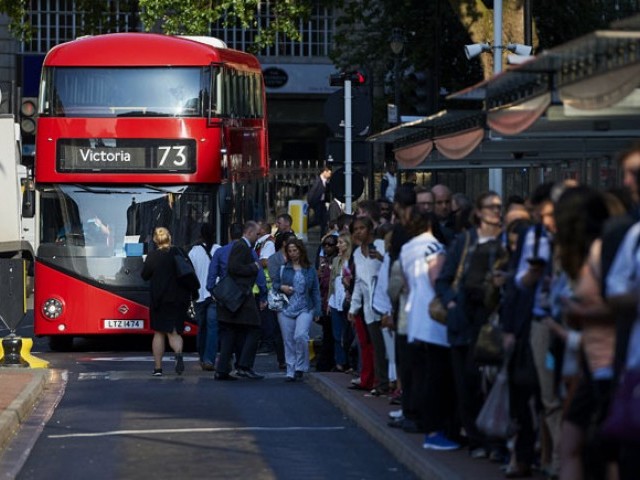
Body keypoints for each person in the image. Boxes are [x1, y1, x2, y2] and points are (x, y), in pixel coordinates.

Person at [212, 221, 267, 381]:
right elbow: (234, 268)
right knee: (255, 328)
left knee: (230, 333)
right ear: (249, 232)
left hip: (232, 300)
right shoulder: (242, 247)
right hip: (240, 298)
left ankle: (222, 370)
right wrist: (255, 267)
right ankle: (244, 366)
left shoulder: (242, 247)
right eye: (257, 234)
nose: (258, 237)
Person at [140, 227, 191, 376]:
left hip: (159, 300)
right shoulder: (179, 253)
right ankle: (178, 353)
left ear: (155, 240)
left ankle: (158, 368)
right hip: (178, 299)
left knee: (159, 333)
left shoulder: (153, 256)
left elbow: (144, 275)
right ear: (169, 237)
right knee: (174, 332)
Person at [348, 216, 389, 395]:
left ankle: (391, 384)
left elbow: (392, 268)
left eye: (362, 228)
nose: (358, 232)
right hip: (368, 308)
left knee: (389, 346)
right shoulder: (357, 253)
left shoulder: (381, 246)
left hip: (386, 305)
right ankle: (381, 383)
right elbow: (358, 283)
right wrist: (353, 308)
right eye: (355, 229)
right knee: (376, 346)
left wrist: (381, 258)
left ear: (370, 229)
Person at [272, 238, 322, 382]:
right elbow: (275, 284)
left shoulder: (310, 269)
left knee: (300, 336)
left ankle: (300, 366)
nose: (293, 253)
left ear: (301, 251)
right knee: (288, 340)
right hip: (286, 307)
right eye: (290, 251)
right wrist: (282, 287)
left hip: (305, 306)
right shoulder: (283, 268)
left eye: (295, 250)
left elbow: (315, 291)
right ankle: (291, 369)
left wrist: (317, 310)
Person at [188, 224, 220, 371]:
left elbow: (190, 273)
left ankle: (201, 357)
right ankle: (209, 359)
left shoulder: (194, 252)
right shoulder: (218, 250)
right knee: (213, 327)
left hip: (199, 295)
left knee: (202, 327)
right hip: (214, 295)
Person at [327, 232, 353, 372]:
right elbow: (332, 281)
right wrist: (328, 301)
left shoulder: (353, 260)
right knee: (337, 334)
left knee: (348, 333)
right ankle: (340, 362)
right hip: (335, 299)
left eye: (341, 243)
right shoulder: (336, 260)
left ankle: (350, 362)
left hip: (348, 300)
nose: (338, 245)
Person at [307, 166, 332, 235]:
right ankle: (306, 226)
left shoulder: (325, 181)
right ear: (324, 172)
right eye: (329, 173)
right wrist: (311, 203)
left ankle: (323, 235)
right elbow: (312, 193)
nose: (330, 175)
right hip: (317, 203)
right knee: (317, 220)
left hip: (322, 203)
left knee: (324, 220)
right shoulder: (317, 181)